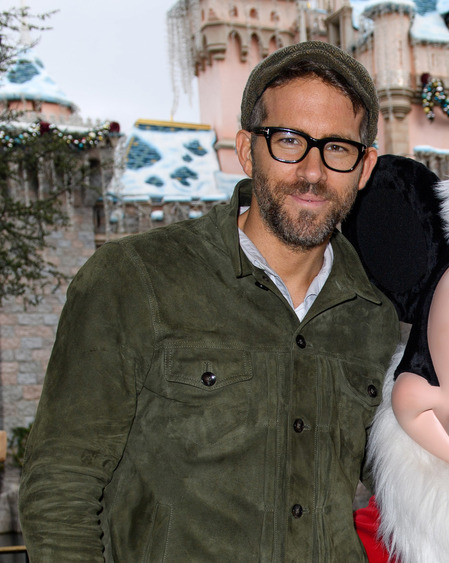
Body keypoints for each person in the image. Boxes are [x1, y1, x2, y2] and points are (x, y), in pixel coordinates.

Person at [19, 41, 400, 561]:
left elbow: (413, 485)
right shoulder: (134, 280)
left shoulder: (377, 318)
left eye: (337, 148)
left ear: (365, 166)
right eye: (289, 140)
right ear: (247, 150)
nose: (312, 172)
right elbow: (62, 487)